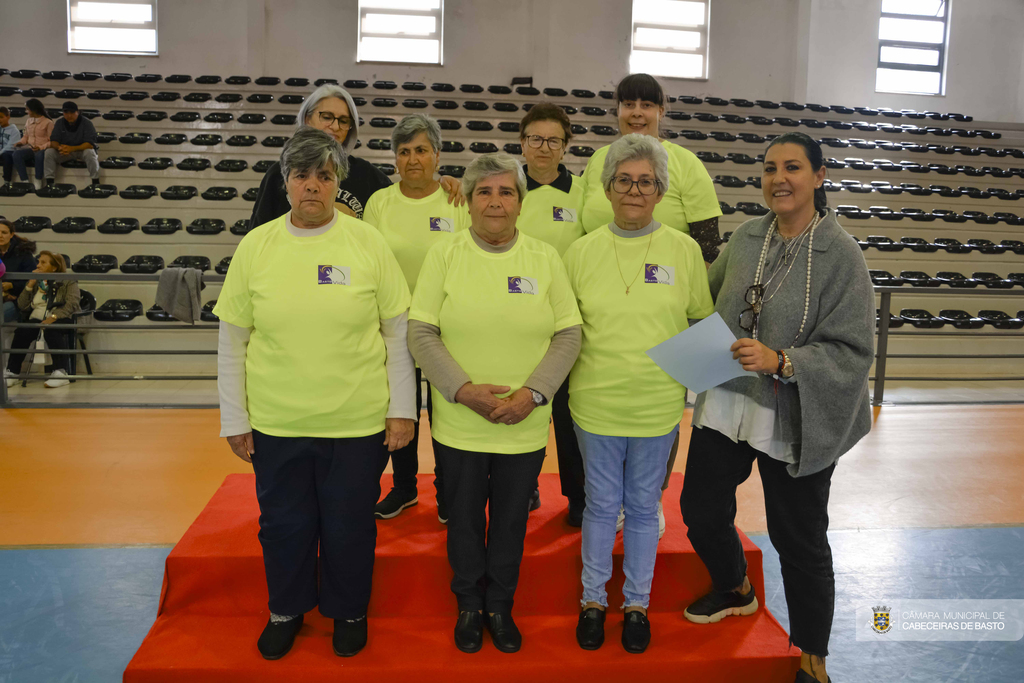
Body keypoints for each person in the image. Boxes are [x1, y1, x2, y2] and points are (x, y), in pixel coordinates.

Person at [215, 127, 417, 660]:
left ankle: (349, 611)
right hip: (277, 422)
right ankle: (286, 609)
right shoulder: (257, 245)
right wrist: (234, 418)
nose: (312, 186)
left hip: (356, 421)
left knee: (350, 525)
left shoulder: (368, 242)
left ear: (337, 184)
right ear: (285, 184)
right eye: (301, 175)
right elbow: (232, 340)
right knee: (283, 524)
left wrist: (403, 411)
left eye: (324, 176)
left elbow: (397, 331)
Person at [681, 131, 874, 683]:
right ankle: (735, 585)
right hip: (728, 399)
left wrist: (783, 360)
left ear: (818, 177)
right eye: (769, 168)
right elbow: (704, 304)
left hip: (797, 413)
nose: (778, 178)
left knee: (799, 539)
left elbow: (854, 350)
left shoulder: (841, 255)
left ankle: (813, 654)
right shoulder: (746, 238)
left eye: (792, 167)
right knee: (699, 509)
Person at [408, 153, 582, 654]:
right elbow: (422, 331)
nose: (495, 201)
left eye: (506, 192)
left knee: (509, 522)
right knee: (462, 520)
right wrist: (462, 390)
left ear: (520, 203)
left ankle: (500, 606)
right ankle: (468, 604)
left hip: (523, 423)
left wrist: (532, 394)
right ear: (468, 201)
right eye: (484, 191)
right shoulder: (445, 255)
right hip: (460, 423)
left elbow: (569, 334)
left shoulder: (544, 258)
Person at [564, 134, 714, 654]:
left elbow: (699, 320)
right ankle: (591, 601)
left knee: (645, 508)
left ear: (659, 191)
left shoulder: (685, 249)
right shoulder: (580, 252)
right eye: (623, 180)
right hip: (594, 402)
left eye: (645, 181)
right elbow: (565, 328)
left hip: (657, 405)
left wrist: (698, 394)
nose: (634, 189)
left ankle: (636, 605)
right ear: (607, 188)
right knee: (601, 506)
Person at [579, 73, 724, 531]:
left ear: (662, 110)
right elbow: (581, 231)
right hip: (606, 299)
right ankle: (608, 501)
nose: (637, 112)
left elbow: (707, 244)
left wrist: (672, 290)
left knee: (660, 409)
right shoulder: (598, 162)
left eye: (647, 103)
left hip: (665, 302)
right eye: (628, 103)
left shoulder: (686, 164)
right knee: (601, 411)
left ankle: (649, 498)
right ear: (617, 110)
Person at [362, 113, 471, 522]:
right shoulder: (380, 203)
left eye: (421, 150)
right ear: (394, 158)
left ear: (437, 155)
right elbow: (368, 260)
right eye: (404, 151)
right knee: (400, 406)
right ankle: (405, 488)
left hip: (446, 325)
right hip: (395, 323)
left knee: (447, 410)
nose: (412, 160)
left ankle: (448, 492)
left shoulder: (456, 199)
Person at [249, 84, 462, 225]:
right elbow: (258, 235)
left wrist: (442, 184)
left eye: (343, 121)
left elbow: (406, 199)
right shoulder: (279, 173)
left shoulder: (367, 176)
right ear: (307, 119)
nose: (335, 126)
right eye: (327, 116)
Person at [516, 102, 587, 525]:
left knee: (567, 413)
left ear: (566, 146)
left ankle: (578, 498)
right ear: (522, 143)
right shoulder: (505, 187)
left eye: (553, 140)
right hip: (517, 320)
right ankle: (523, 490)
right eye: (535, 138)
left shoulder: (584, 195)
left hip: (566, 322)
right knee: (524, 408)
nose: (544, 147)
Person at [4, 250, 80, 389]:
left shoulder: (68, 280)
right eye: (38, 261)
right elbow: (22, 305)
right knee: (22, 331)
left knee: (52, 329)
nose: (38, 265)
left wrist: (53, 317)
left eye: (43, 262)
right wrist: (29, 285)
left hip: (60, 317)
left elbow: (72, 303)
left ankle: (61, 373)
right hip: (36, 319)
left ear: (54, 267)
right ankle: (12, 372)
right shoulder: (36, 281)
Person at [44, 101, 100, 187]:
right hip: (65, 151)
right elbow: (54, 141)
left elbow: (89, 144)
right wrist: (60, 148)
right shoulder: (59, 122)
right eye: (66, 112)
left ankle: (95, 182)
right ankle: (49, 183)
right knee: (49, 152)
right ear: (63, 113)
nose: (69, 115)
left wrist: (71, 148)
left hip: (82, 151)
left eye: (72, 112)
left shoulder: (87, 123)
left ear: (77, 112)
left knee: (90, 152)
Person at [1, 99, 52, 190]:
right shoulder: (28, 121)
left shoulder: (48, 122)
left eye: (27, 109)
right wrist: (20, 142)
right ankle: (24, 181)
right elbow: (26, 136)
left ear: (34, 109)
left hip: (42, 148)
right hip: (31, 148)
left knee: (39, 155)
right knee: (16, 154)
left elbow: (51, 141)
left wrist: (40, 147)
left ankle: (38, 179)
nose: (26, 111)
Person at [1, 219, 38, 323]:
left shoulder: (24, 254)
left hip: (17, 301)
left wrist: (11, 286)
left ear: (11, 234)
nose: (0, 236)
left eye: (4, 232)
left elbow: (32, 281)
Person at [0, 107, 22, 174]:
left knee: (7, 156)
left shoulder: (14, 131)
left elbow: (10, 146)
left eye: (1, 117)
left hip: (9, 152)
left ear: (8, 117)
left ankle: (7, 181)